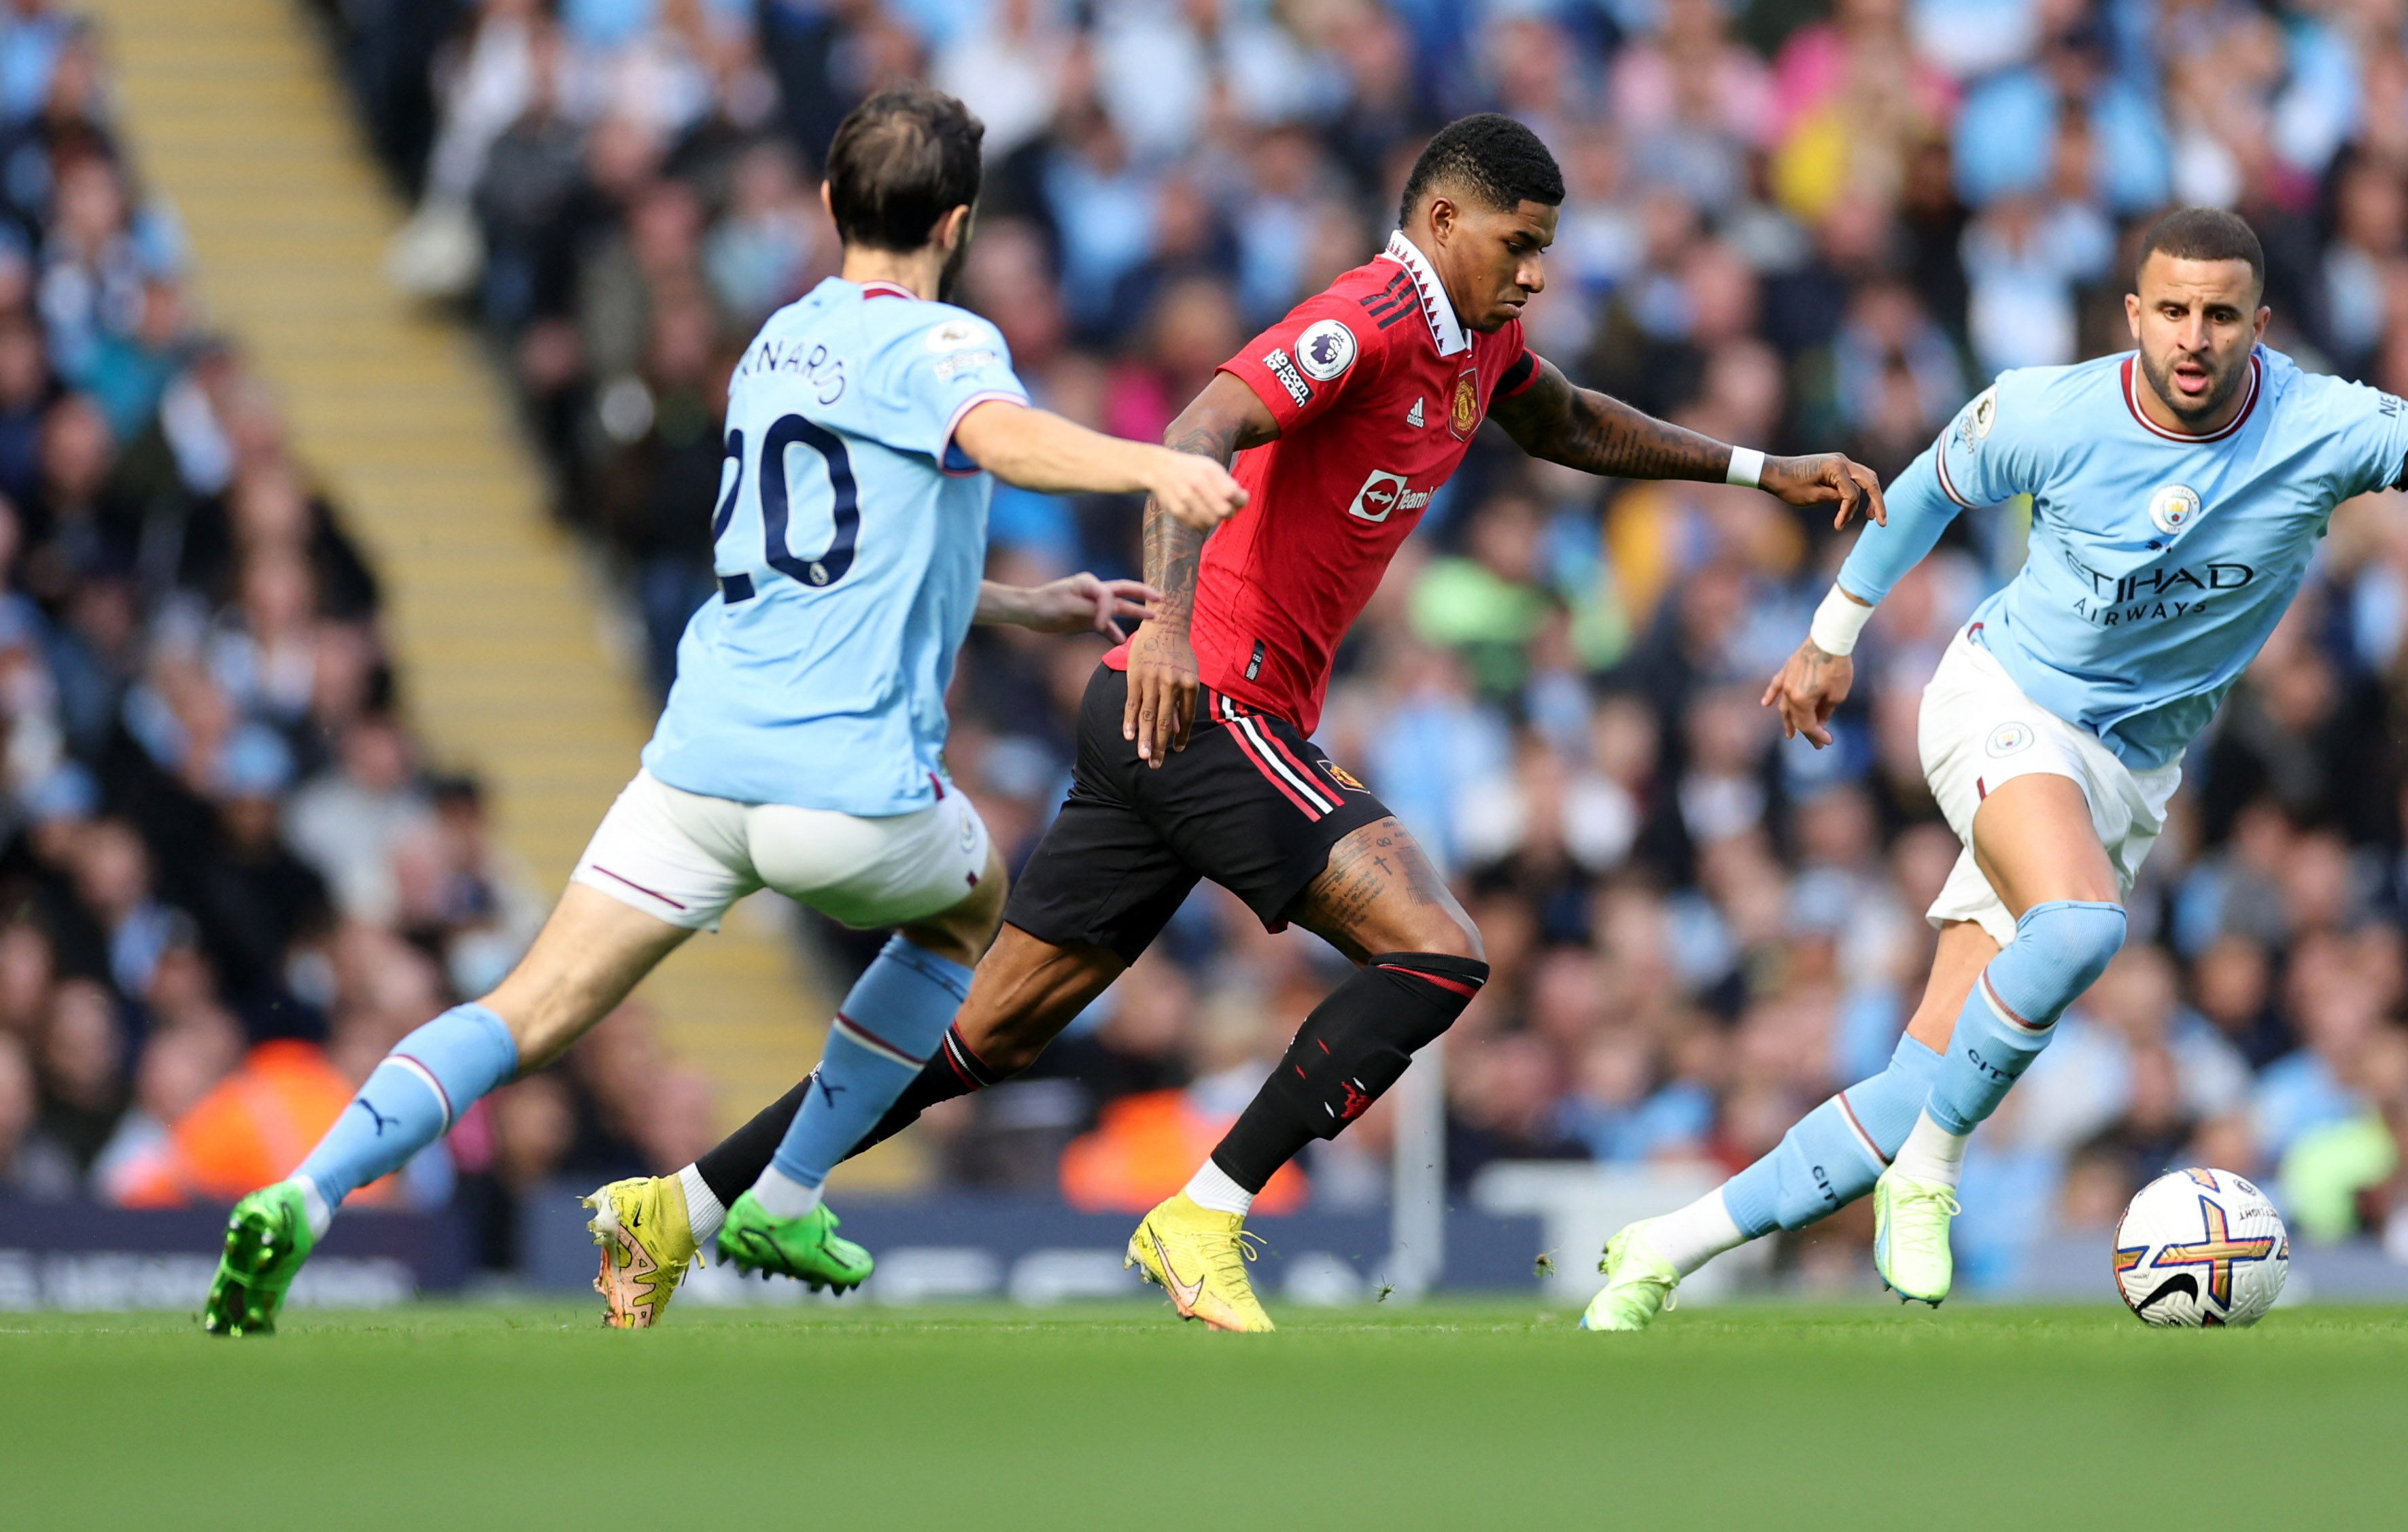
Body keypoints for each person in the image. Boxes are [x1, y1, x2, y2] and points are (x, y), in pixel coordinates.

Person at [585, 114, 1887, 1332]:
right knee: (1436, 951)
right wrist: (1165, 628)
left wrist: (1761, 471)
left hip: (1159, 720)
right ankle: (1206, 1217)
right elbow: (1203, 423)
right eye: (1520, 244)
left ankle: (676, 1208)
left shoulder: (1474, 345)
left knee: (986, 1035)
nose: (1538, 273)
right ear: (1442, 220)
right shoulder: (1366, 320)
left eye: (1548, 247)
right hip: (1207, 697)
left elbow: (1570, 421)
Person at [1579, 206, 2408, 1327]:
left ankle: (1662, 1249)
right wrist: (1831, 638)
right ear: (2133, 314)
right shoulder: (2048, 411)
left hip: (2131, 771)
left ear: (2261, 324)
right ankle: (1931, 1175)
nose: (2195, 339)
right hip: (2003, 700)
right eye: (2174, 312)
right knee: (2083, 929)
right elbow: (1931, 483)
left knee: (1908, 1087)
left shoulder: (2323, 426)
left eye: (2222, 317)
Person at [199, 83, 1245, 1334]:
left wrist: (1028, 607)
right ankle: (791, 1187)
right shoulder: (948, 344)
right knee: (971, 909)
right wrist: (1155, 463)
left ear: (826, 205)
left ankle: (307, 1194)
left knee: (522, 1009)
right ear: (956, 224)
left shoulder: (774, 345)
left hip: (697, 769)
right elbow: (1003, 439)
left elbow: (838, 558)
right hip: (844, 792)